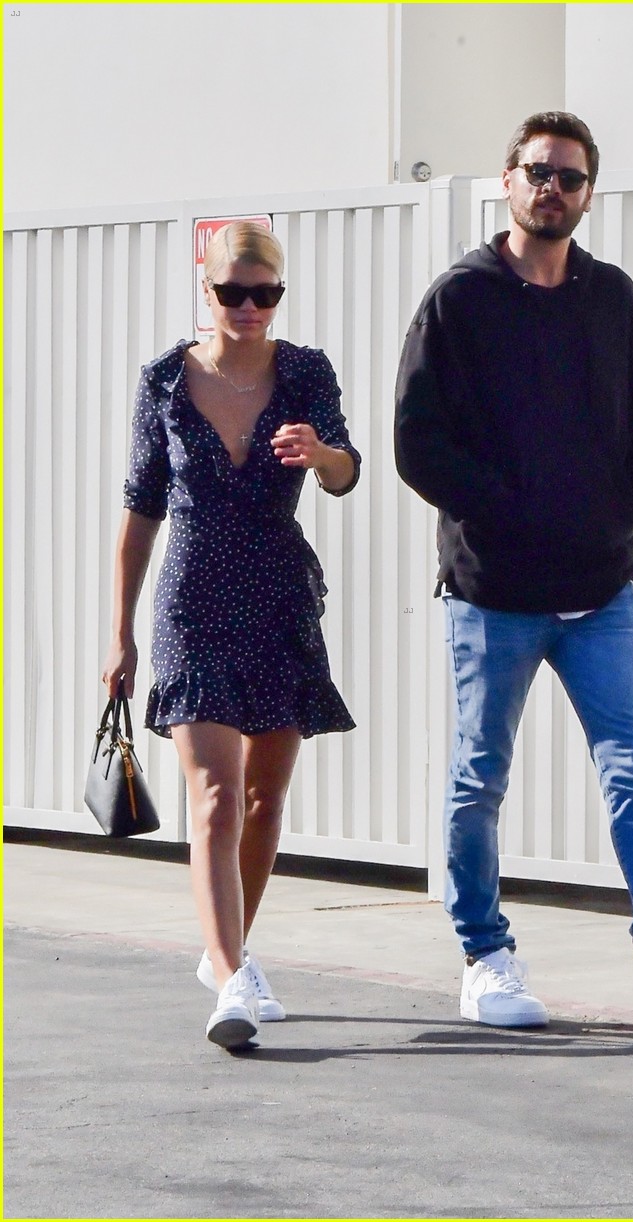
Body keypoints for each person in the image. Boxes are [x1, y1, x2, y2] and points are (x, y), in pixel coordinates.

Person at [394, 111, 633, 1032]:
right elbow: (416, 442)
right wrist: (506, 509)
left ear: (588, 193)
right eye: (539, 172)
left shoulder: (613, 299)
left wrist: (625, 507)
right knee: (479, 778)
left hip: (600, 588)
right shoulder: (459, 300)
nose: (553, 189)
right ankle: (485, 958)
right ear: (507, 179)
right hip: (492, 593)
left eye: (571, 177)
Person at [103, 221, 360, 1049]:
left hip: (279, 594)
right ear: (206, 289)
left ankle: (229, 954)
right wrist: (119, 635)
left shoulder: (305, 372)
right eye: (233, 292)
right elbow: (140, 508)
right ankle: (231, 979)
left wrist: (320, 453)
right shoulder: (164, 380)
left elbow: (347, 471)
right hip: (192, 599)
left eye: (265, 293)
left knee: (263, 798)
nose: (249, 307)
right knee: (215, 794)